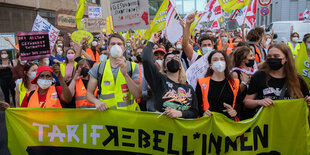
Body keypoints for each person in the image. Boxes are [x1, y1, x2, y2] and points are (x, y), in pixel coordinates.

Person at [244, 43, 310, 122]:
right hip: (267, 124)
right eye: (269, 57)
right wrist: (259, 102)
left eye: (276, 56)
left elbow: (305, 101)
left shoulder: (297, 79)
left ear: (286, 58)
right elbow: (247, 102)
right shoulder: (259, 76)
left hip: (289, 124)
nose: (272, 59)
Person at [142, 33, 198, 118]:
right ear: (164, 67)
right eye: (168, 59)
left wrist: (180, 113)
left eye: (175, 58)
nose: (172, 60)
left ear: (180, 65)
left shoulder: (188, 88)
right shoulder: (159, 81)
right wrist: (152, 41)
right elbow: (146, 60)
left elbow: (194, 111)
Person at [86, 33, 141, 111]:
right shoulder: (98, 68)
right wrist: (96, 101)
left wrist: (125, 75)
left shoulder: (132, 67)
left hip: (128, 117)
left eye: (119, 44)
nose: (116, 46)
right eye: (113, 44)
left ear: (124, 48)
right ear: (108, 48)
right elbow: (89, 94)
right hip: (108, 117)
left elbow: (137, 94)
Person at [196, 50, 241, 120]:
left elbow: (239, 104)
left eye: (222, 59)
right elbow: (196, 105)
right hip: (209, 123)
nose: (219, 62)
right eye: (215, 60)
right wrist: (203, 113)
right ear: (210, 65)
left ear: (226, 63)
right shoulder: (202, 83)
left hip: (229, 124)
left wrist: (235, 111)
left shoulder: (235, 83)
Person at [230, 46, 256, 119]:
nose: (253, 57)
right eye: (250, 56)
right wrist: (244, 83)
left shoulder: (252, 71)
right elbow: (233, 94)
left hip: (253, 107)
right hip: (241, 109)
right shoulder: (235, 74)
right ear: (243, 59)